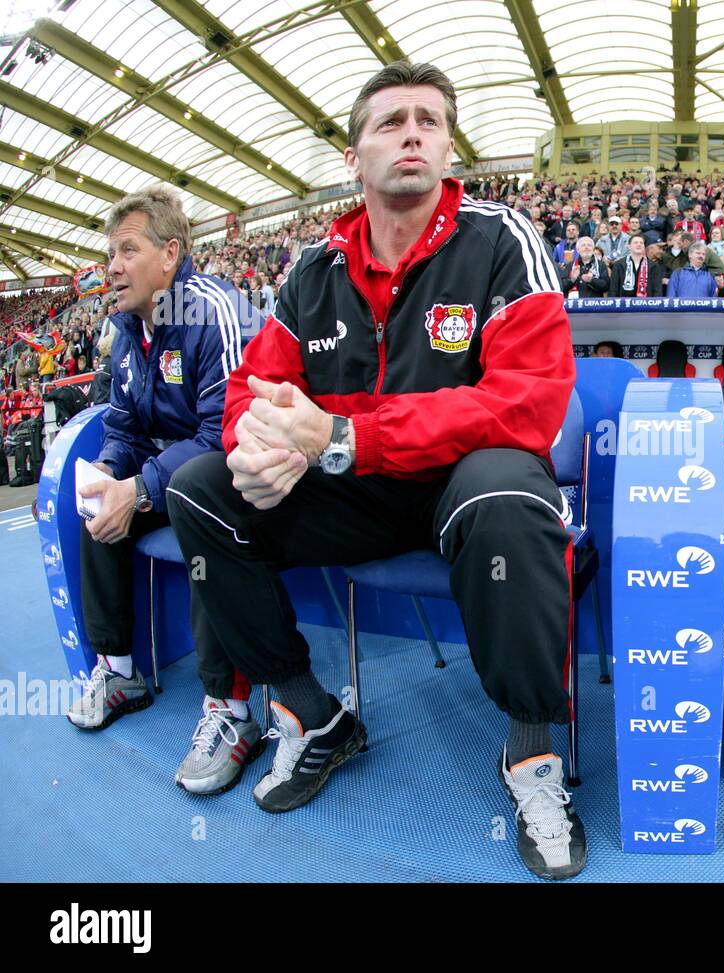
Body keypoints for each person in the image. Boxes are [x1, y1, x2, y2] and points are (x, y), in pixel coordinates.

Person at [165, 61, 586, 880]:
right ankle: (313, 713)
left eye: (429, 120)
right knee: (202, 491)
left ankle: (534, 756)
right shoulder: (311, 269)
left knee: (505, 488)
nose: (413, 133)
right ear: (354, 156)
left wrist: (346, 436)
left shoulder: (502, 238)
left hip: (458, 486)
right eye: (391, 122)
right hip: (350, 491)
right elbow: (252, 386)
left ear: (449, 145)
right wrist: (262, 448)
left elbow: (528, 403)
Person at [64, 184, 266, 799]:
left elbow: (224, 435)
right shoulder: (126, 330)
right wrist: (108, 472)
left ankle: (231, 710)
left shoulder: (211, 310)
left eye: (127, 251)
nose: (113, 268)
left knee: (199, 500)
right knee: (99, 502)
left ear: (170, 254)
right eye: (109, 255)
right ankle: (119, 671)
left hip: (236, 478)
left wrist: (142, 489)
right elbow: (123, 428)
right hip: (170, 477)